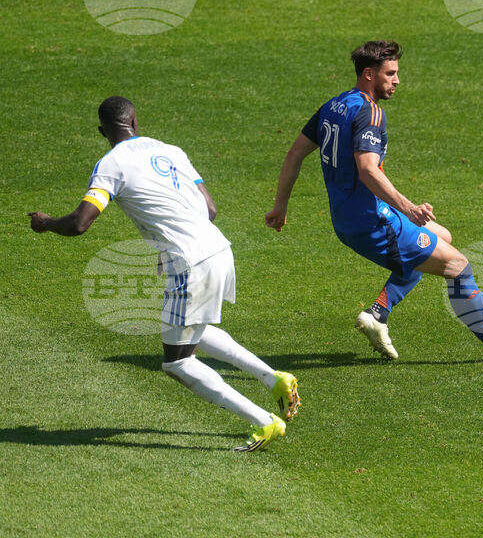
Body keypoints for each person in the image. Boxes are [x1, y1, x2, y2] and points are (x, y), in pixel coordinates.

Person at [29, 97, 299, 451]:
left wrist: (46, 223)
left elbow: (81, 223)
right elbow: (210, 208)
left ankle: (264, 422)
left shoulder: (111, 164)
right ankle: (276, 379)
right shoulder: (171, 150)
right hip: (218, 248)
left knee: (178, 363)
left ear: (102, 132)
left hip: (189, 262)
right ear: (136, 121)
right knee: (191, 333)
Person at [265, 41, 483, 362]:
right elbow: (368, 170)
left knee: (442, 238)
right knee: (458, 266)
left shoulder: (334, 105)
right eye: (391, 73)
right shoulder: (370, 113)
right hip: (373, 220)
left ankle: (379, 313)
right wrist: (408, 207)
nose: (397, 80)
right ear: (369, 74)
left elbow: (294, 153)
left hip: (346, 219)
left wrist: (280, 206)